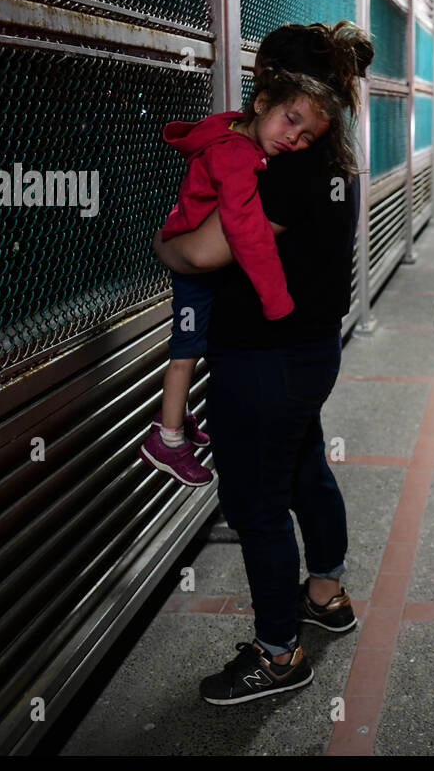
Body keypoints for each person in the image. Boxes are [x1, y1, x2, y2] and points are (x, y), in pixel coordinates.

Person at [153, 21, 374, 704]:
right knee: (305, 468)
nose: (292, 129)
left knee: (257, 505)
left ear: (267, 86)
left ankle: (279, 655)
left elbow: (203, 253)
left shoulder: (283, 169)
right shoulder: (336, 157)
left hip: (264, 359)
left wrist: (165, 248)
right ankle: (327, 593)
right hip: (310, 353)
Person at [139, 68, 337, 487]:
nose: (294, 139)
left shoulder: (233, 134)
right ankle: (166, 437)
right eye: (291, 120)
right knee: (185, 350)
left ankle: (179, 418)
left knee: (198, 343)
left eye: (306, 138)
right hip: (190, 267)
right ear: (262, 102)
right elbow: (247, 233)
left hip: (189, 244)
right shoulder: (236, 156)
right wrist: (276, 300)